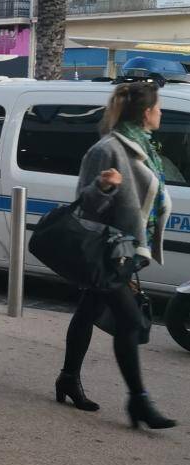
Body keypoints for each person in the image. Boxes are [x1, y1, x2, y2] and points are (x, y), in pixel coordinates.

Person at [57, 80, 177, 431]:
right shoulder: (107, 149)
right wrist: (103, 187)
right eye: (158, 107)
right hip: (109, 251)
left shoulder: (144, 146)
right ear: (145, 112)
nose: (161, 112)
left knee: (88, 310)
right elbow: (84, 205)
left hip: (127, 249)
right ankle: (139, 402)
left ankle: (67, 378)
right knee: (130, 321)